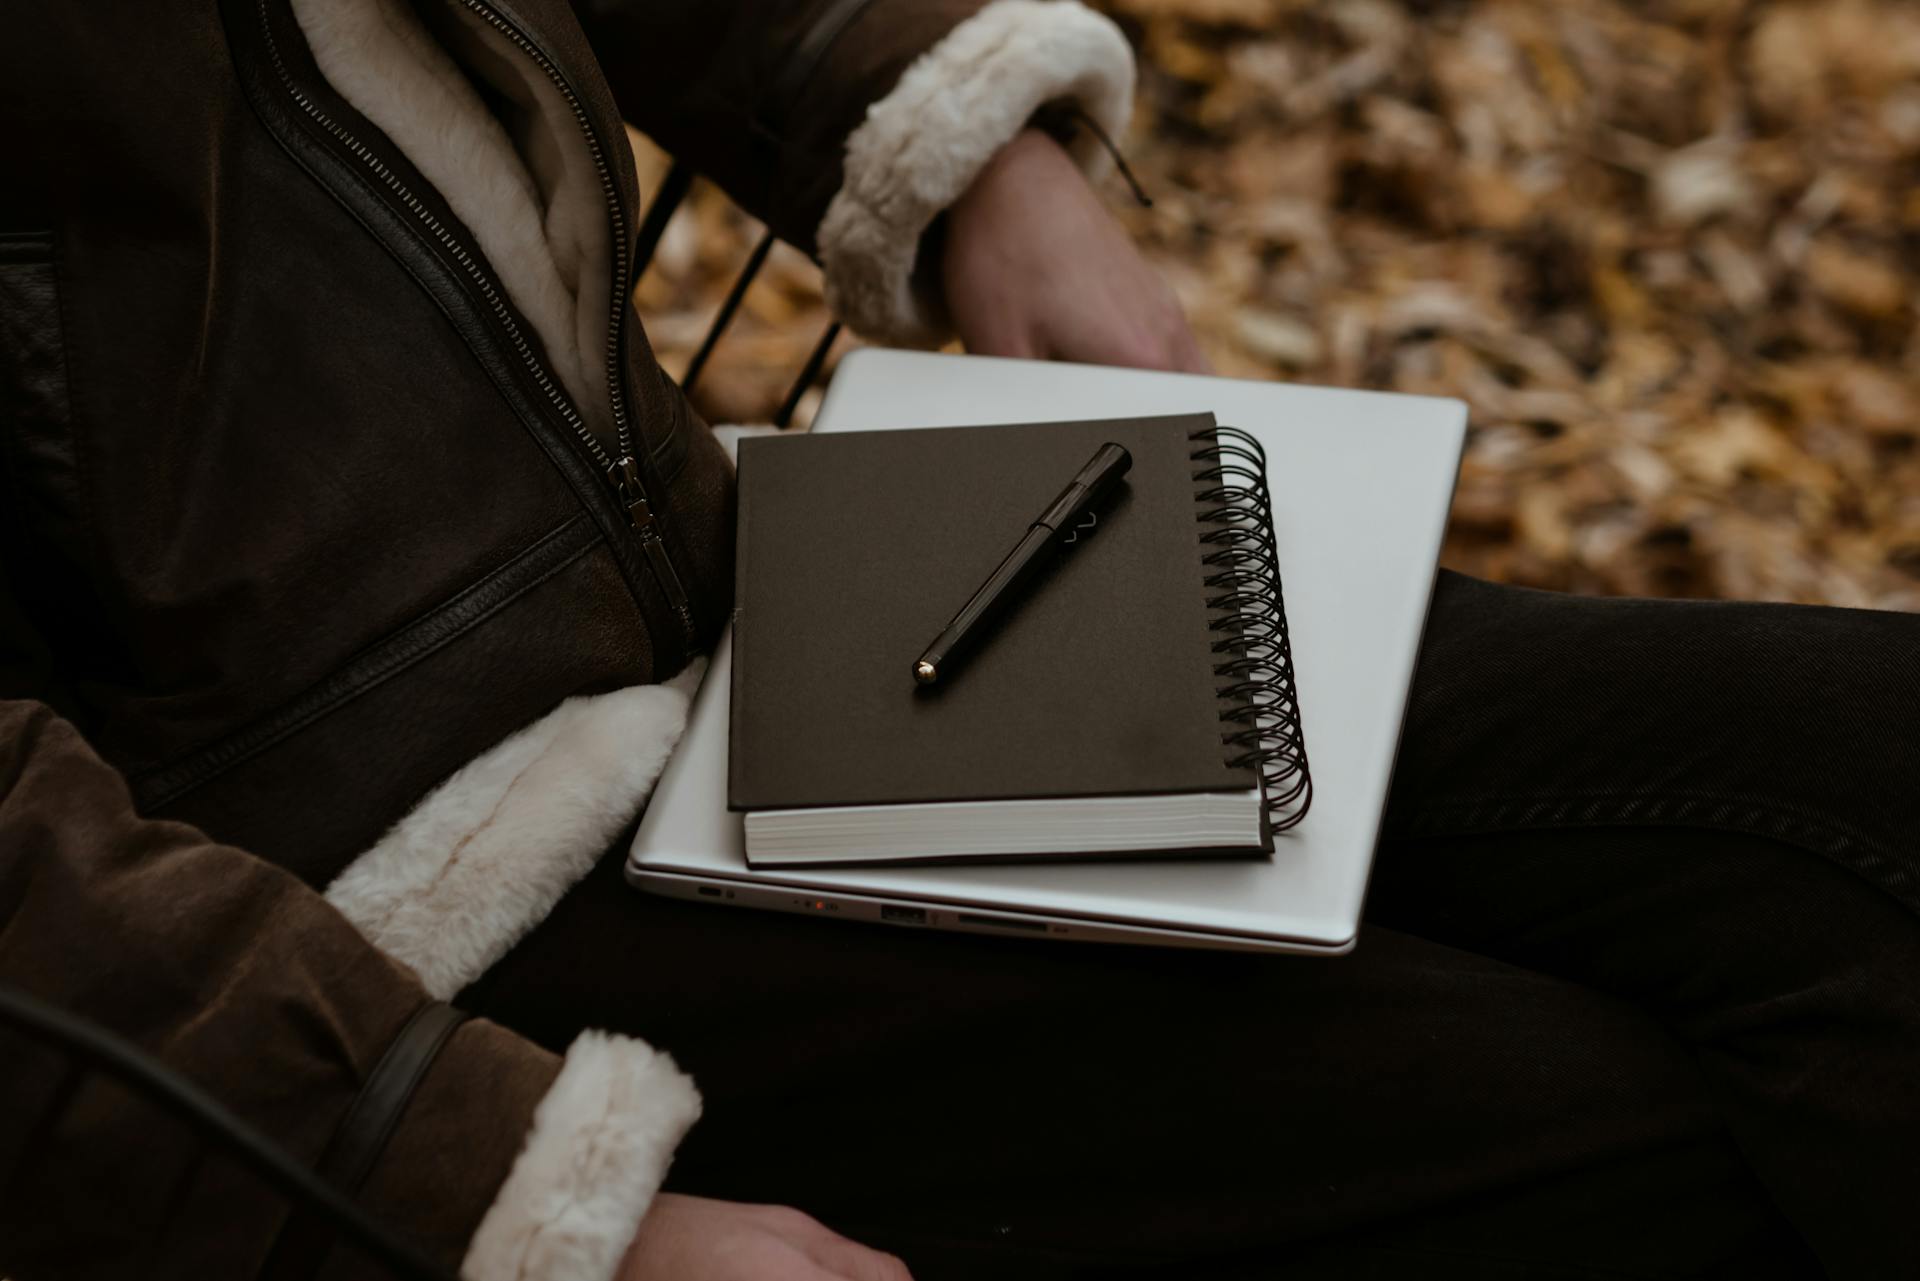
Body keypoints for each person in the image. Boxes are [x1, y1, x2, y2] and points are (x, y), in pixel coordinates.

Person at [1, 1, 1914, 1279]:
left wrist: (943, 116)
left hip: (754, 596)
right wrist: (478, 1173)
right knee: (1623, 1151)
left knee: (1864, 772)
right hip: (368, 928)